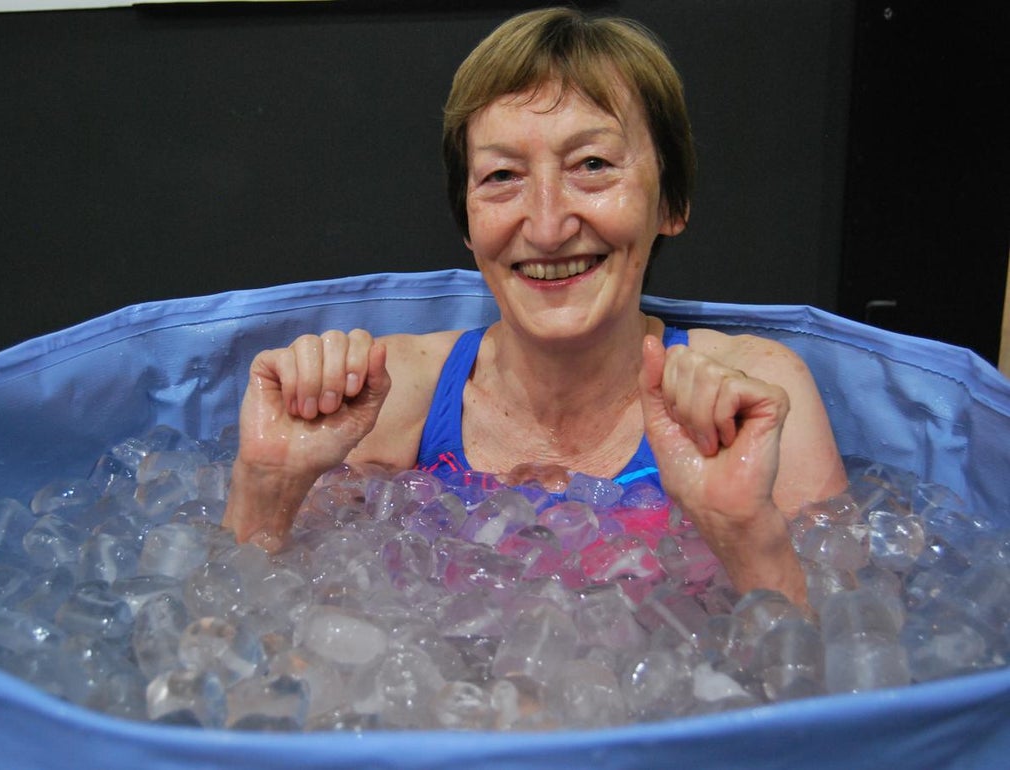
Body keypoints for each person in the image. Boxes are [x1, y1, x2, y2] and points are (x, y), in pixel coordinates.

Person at [222, 7, 847, 608]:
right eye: (501, 176)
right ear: (466, 220)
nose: (547, 226)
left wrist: (743, 534)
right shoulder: (391, 397)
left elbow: (839, 682)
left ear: (671, 203)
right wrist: (268, 485)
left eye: (593, 165)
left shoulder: (757, 399)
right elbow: (251, 656)